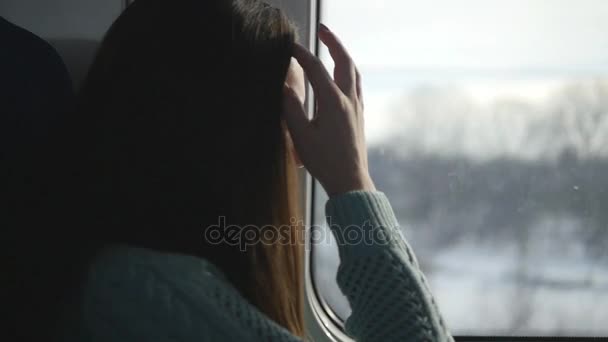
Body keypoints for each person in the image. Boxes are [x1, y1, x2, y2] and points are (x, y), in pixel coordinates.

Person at [27, 0, 453, 341]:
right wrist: (353, 182)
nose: (302, 151)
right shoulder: (139, 290)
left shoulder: (147, 281)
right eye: (292, 119)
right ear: (238, 133)